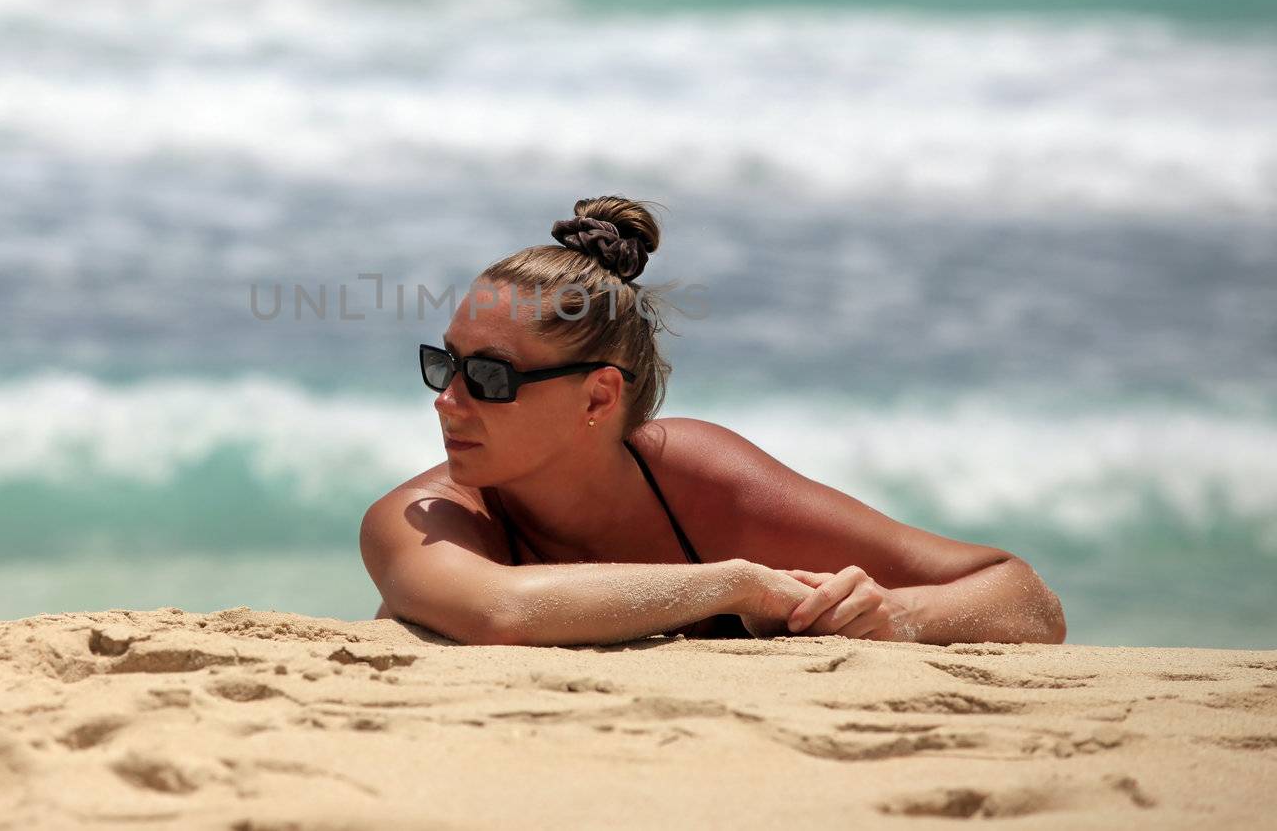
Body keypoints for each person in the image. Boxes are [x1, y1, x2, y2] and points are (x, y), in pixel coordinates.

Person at [360, 195, 1066, 647]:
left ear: (600, 398)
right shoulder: (422, 515)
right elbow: (500, 613)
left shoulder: (704, 481)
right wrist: (737, 585)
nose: (447, 399)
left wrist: (896, 615)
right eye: (442, 363)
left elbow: (1024, 598)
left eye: (488, 377)